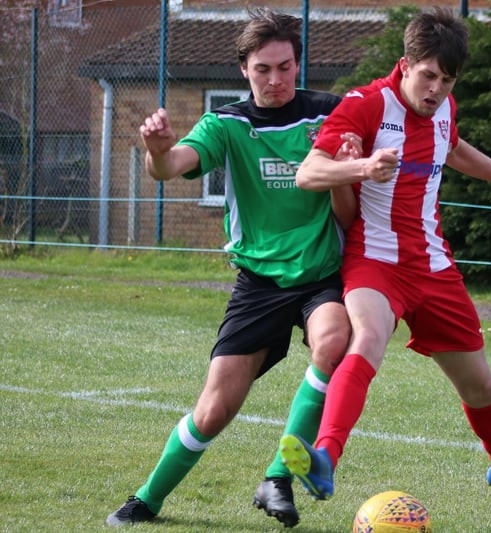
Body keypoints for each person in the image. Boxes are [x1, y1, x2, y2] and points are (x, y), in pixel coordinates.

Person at [279, 6, 491, 516]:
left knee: (480, 386)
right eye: (429, 76)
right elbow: (309, 172)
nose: (436, 89)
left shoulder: (444, 108)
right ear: (405, 65)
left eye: (447, 79)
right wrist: (364, 165)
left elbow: (453, 149)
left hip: (434, 268)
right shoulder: (366, 104)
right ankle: (324, 457)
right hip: (374, 260)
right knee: (365, 337)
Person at [106, 9, 361, 528]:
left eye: (286, 67)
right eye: (263, 69)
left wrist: (342, 168)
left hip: (320, 276)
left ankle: (276, 478)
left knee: (334, 340)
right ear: (244, 69)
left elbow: (349, 215)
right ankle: (147, 500)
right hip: (258, 284)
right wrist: (155, 150)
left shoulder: (328, 115)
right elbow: (170, 167)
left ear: (298, 63)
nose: (276, 79)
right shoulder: (226, 123)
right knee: (214, 409)